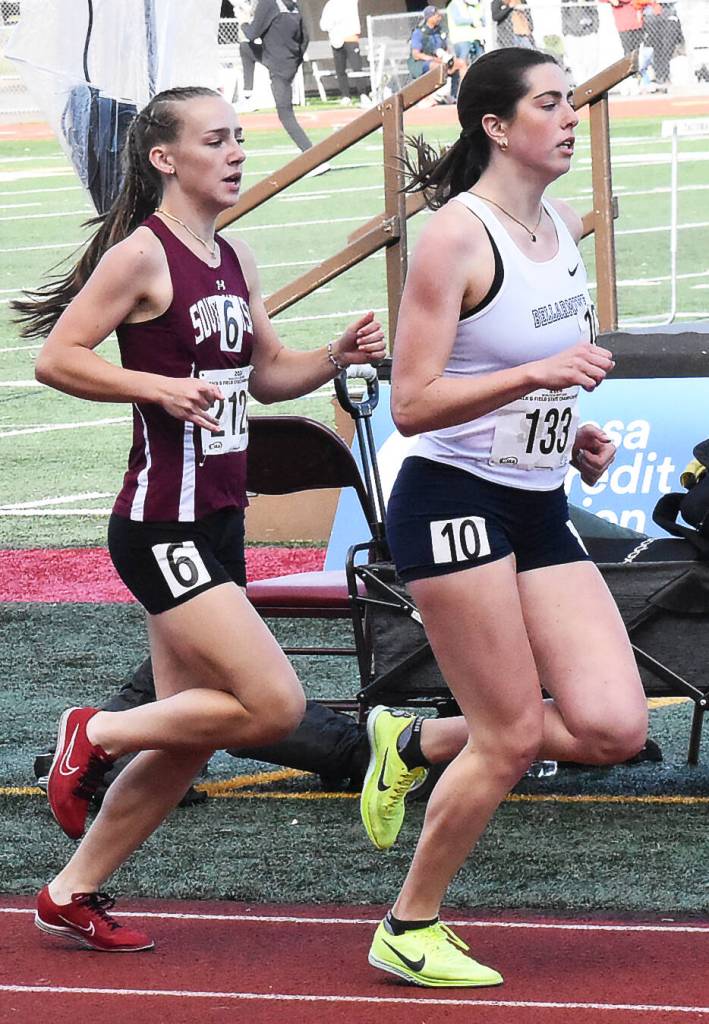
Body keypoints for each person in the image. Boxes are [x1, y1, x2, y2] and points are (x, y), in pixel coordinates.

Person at [13, 84, 384, 953]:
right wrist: (156, 386)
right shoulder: (141, 256)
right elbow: (57, 359)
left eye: (238, 137)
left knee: (186, 734)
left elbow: (269, 376)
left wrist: (332, 357)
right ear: (164, 158)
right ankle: (95, 730)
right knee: (271, 704)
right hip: (160, 526)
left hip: (218, 519)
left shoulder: (235, 255)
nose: (236, 153)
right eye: (215, 140)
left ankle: (71, 892)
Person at [358, 47, 648, 988]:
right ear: (495, 125)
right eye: (550, 104)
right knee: (513, 735)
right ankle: (408, 925)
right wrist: (534, 377)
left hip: (534, 500)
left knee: (613, 728)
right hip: (451, 501)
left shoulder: (557, 223)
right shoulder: (454, 236)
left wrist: (567, 435)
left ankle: (412, 740)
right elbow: (412, 403)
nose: (569, 118)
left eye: (571, 102)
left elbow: (522, 372)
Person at [235, 0, 315, 155]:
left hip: (277, 65)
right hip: (287, 62)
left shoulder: (268, 3)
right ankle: (248, 92)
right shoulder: (293, 6)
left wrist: (243, 21)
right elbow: (305, 38)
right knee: (245, 49)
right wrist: (296, 61)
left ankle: (311, 154)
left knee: (285, 114)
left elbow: (251, 34)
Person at [408, 6, 467, 103]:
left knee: (461, 63)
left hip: (441, 59)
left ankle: (459, 94)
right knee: (438, 67)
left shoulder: (439, 31)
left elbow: (445, 48)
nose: (439, 17)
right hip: (422, 63)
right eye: (436, 15)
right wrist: (434, 59)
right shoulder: (419, 32)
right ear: (429, 17)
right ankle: (435, 96)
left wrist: (448, 57)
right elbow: (416, 55)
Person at [319, 0, 370, 106]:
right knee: (340, 70)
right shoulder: (330, 4)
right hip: (336, 40)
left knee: (357, 68)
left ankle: (363, 94)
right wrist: (332, 26)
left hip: (350, 38)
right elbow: (324, 24)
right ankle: (345, 95)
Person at [561, 0, 600, 86]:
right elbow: (564, 14)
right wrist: (566, 31)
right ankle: (581, 84)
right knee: (576, 61)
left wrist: (594, 28)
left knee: (591, 60)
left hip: (588, 33)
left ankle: (590, 83)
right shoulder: (567, 2)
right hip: (573, 34)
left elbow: (594, 12)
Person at [445, 0, 485, 67]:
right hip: (460, 39)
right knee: (463, 63)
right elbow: (457, 20)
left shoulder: (466, 4)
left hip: (472, 38)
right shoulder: (454, 4)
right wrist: (473, 20)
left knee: (479, 60)